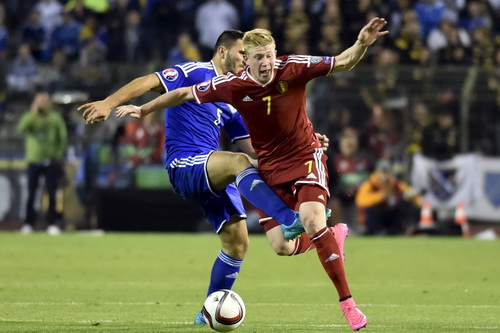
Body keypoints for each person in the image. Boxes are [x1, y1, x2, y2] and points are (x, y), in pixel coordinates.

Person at [113, 18, 389, 330]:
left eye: (269, 55)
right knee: (283, 247)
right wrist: (143, 110)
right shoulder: (233, 87)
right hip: (269, 167)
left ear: (275, 54)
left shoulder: (294, 67)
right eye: (256, 56)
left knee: (309, 218)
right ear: (247, 59)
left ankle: (348, 305)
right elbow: (184, 94)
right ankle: (329, 235)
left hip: (303, 157)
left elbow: (343, 62)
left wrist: (362, 43)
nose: (264, 62)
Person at [17, 91, 68, 235]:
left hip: (50, 161)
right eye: (39, 101)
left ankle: (51, 223)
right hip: (34, 159)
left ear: (49, 103)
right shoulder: (30, 117)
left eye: (44, 101)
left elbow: (62, 137)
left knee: (51, 193)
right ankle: (28, 223)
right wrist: (32, 114)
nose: (42, 104)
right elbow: (21, 128)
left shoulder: (54, 118)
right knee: (31, 194)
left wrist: (57, 155)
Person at [355, 159, 421, 235]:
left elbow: (409, 191)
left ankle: (406, 229)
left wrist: (417, 200)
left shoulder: (395, 183)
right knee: (373, 209)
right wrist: (380, 196)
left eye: (387, 172)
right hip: (376, 217)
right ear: (377, 173)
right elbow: (361, 201)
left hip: (391, 214)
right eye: (383, 172)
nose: (385, 175)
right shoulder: (370, 184)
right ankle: (377, 232)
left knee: (406, 204)